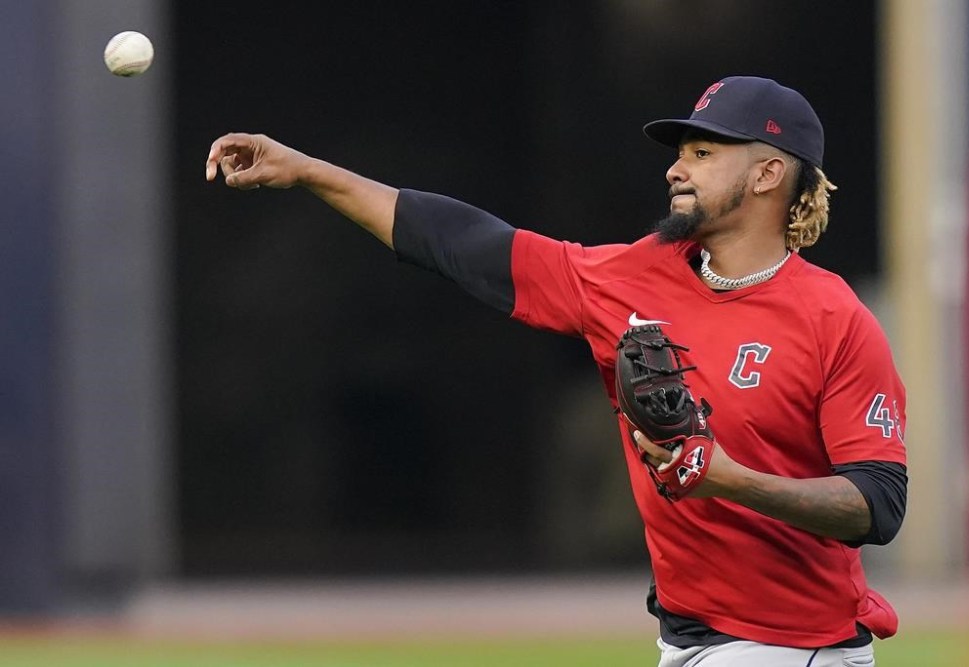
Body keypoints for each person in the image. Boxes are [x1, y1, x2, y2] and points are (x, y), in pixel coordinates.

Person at [206, 76, 907, 667]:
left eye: (702, 150)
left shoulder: (832, 317)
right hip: (690, 637)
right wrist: (307, 171)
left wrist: (724, 476)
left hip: (792, 645)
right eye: (680, 152)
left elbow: (878, 503)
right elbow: (468, 244)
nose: (675, 167)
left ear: (767, 173)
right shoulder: (633, 277)